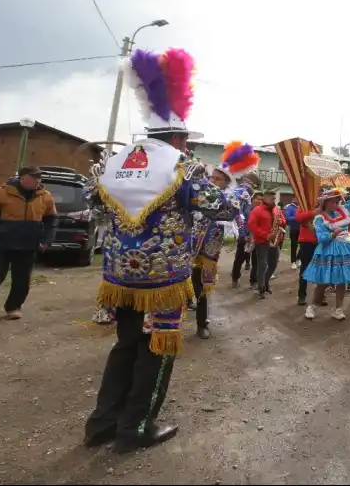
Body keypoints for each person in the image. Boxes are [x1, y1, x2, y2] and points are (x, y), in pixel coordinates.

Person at [83, 48, 236, 452]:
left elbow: (93, 203)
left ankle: (102, 422)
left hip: (120, 276)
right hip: (162, 278)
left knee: (125, 344)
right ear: (180, 137)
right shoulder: (183, 166)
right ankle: (134, 428)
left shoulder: (115, 162)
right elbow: (221, 207)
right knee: (156, 346)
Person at [191, 142, 258, 338]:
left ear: (227, 183)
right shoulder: (199, 191)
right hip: (185, 246)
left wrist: (246, 184)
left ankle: (202, 323)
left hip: (207, 251)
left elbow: (236, 204)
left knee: (202, 285)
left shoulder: (230, 197)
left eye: (218, 179)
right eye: (212, 177)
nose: (212, 180)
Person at [0, 166, 58, 325]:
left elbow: (51, 220)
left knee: (22, 279)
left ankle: (13, 307)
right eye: (34, 177)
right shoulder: (2, 192)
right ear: (22, 178)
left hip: (28, 244)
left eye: (39, 177)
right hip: (1, 243)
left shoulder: (45, 196)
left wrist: (46, 240)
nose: (37, 180)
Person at [303, 188, 350, 320]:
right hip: (328, 251)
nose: (335, 205)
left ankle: (338, 309)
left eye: (337, 202)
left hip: (344, 250)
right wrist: (333, 234)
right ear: (325, 203)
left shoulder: (342, 211)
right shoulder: (320, 219)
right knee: (323, 281)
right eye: (332, 202)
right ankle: (312, 306)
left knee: (342, 280)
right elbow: (321, 238)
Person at [248, 191, 284, 298]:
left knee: (273, 263)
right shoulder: (257, 210)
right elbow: (252, 226)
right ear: (265, 198)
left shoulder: (277, 209)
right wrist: (266, 235)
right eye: (271, 198)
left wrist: (280, 221)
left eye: (274, 198)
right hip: (262, 241)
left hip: (275, 241)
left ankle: (266, 282)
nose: (274, 200)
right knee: (262, 265)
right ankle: (261, 288)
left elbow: (283, 220)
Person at [284, 198, 300, 268]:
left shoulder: (300, 207)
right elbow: (287, 217)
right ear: (293, 199)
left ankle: (299, 258)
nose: (298, 200)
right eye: (297, 198)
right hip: (293, 228)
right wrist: (297, 217)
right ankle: (293, 261)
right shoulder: (290, 207)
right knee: (294, 245)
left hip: (301, 228)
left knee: (302, 244)